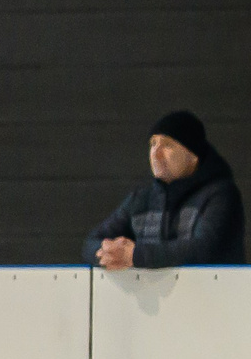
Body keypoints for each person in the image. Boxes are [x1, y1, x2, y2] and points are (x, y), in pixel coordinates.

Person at [86, 112, 243, 268]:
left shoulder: (221, 195)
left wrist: (136, 256)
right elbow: (91, 243)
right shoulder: (140, 199)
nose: (156, 153)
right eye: (153, 144)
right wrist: (106, 253)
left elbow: (204, 249)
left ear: (193, 155)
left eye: (168, 145)